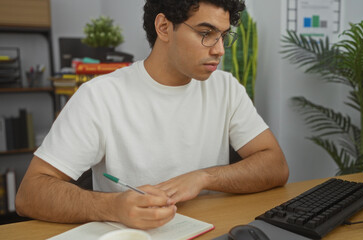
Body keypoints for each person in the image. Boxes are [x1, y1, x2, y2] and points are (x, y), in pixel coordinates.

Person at [15, 0, 289, 230]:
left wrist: (204, 177)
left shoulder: (226, 88)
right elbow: (30, 194)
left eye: (223, 35)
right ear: (163, 27)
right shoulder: (99, 96)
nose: (218, 49)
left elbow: (276, 166)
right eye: (206, 33)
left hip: (211, 230)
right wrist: (113, 206)